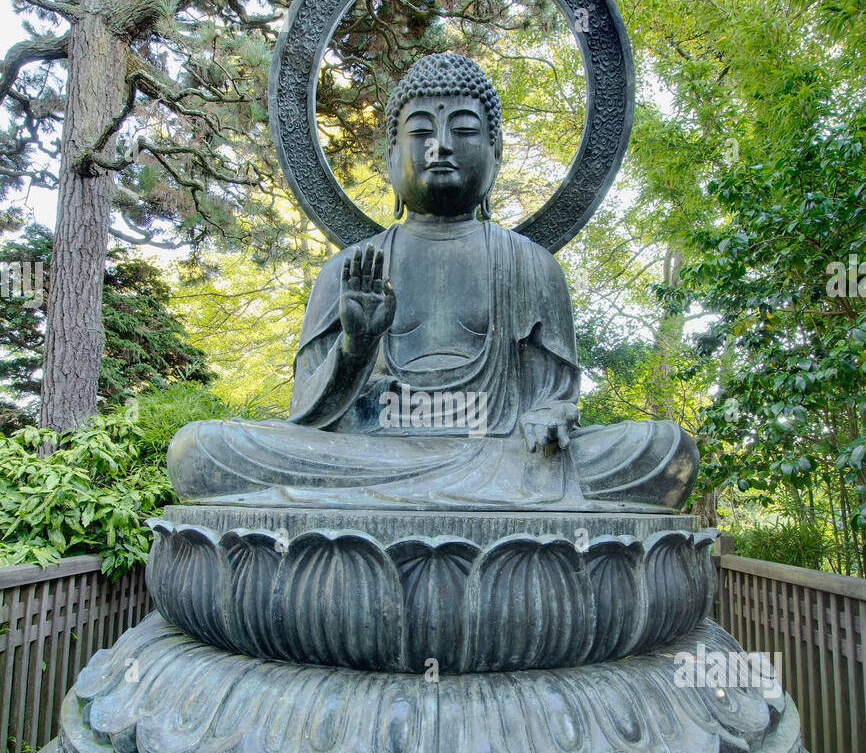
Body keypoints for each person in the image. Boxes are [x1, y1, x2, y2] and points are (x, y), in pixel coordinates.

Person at [168, 54, 697, 511]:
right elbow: (306, 414)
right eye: (420, 132)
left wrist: (551, 414)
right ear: (390, 157)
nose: (440, 146)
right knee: (200, 452)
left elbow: (553, 398)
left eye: (464, 131)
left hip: (499, 452)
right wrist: (356, 347)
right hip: (372, 455)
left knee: (663, 451)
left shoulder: (531, 266)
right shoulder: (351, 270)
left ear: (497, 150)